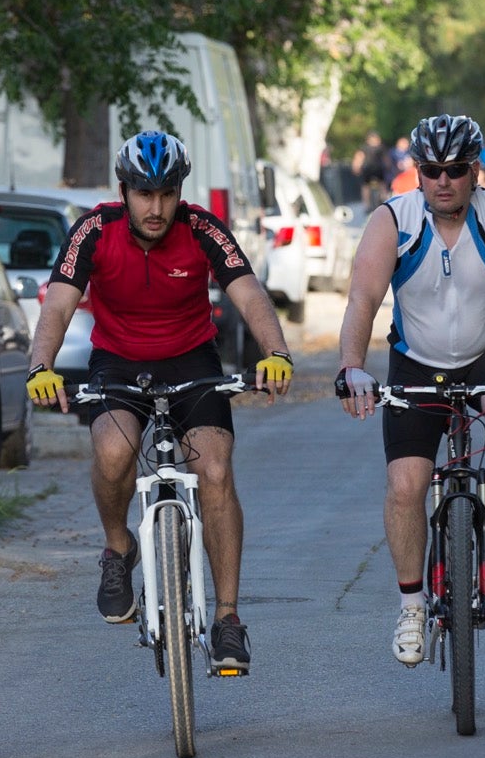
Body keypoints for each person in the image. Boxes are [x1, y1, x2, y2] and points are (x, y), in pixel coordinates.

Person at [26, 131, 293, 674]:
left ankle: (227, 620)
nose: (156, 207)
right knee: (112, 453)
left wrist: (277, 352)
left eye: (167, 193)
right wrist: (40, 367)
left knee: (214, 469)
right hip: (119, 361)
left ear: (180, 192)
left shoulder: (202, 229)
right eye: (144, 195)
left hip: (192, 360)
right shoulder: (94, 230)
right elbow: (57, 306)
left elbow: (247, 291)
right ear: (124, 192)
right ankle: (118, 547)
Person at [337, 114, 485, 666]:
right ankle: (411, 606)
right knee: (407, 485)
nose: (442, 181)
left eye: (455, 170)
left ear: (476, 173)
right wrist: (352, 368)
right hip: (415, 361)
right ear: (416, 173)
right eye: (430, 170)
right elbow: (362, 302)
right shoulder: (391, 221)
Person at [351, 131, 390, 212]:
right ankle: (385, 201)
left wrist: (356, 167)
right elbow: (386, 159)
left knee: (366, 186)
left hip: (368, 169)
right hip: (376, 169)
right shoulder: (381, 147)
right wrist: (388, 166)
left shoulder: (364, 147)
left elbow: (359, 158)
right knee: (381, 185)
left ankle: (367, 205)